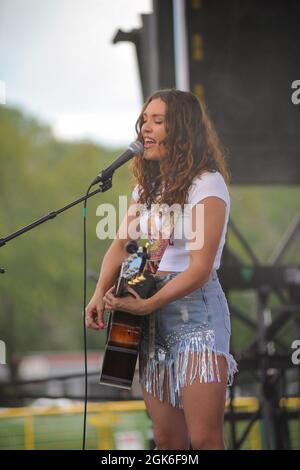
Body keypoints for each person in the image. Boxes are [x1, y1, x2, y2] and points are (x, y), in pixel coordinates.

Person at [85, 89, 238, 450]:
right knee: (168, 442)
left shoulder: (207, 184)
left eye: (157, 121)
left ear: (182, 129)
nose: (145, 130)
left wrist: (149, 304)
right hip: (148, 318)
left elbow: (200, 268)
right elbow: (120, 246)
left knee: (204, 439)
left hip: (195, 316)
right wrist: (98, 293)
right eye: (144, 121)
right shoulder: (146, 189)